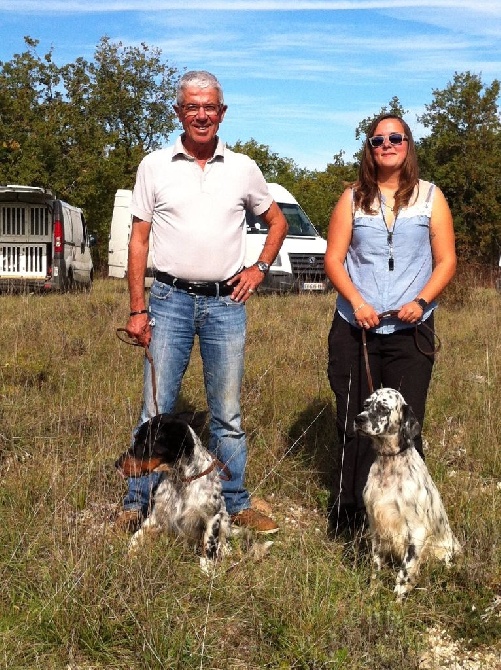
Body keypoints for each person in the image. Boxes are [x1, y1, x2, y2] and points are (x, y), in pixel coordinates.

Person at [116, 70, 288, 534]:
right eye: (192, 106)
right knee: (155, 409)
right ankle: (138, 505)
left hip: (225, 304)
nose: (201, 114)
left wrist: (260, 269)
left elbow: (277, 223)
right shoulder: (154, 165)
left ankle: (233, 500)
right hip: (168, 300)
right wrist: (138, 309)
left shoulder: (243, 167)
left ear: (222, 112)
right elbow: (138, 240)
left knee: (227, 412)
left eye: (209, 106)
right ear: (179, 112)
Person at [324, 113, 456, 537]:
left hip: (410, 334)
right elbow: (333, 259)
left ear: (407, 144)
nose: (387, 145)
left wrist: (422, 301)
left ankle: (406, 520)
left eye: (395, 138)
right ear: (370, 148)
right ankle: (349, 516)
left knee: (404, 425)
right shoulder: (351, 198)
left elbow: (446, 260)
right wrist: (357, 302)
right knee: (354, 422)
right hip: (356, 330)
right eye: (378, 139)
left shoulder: (431, 197)